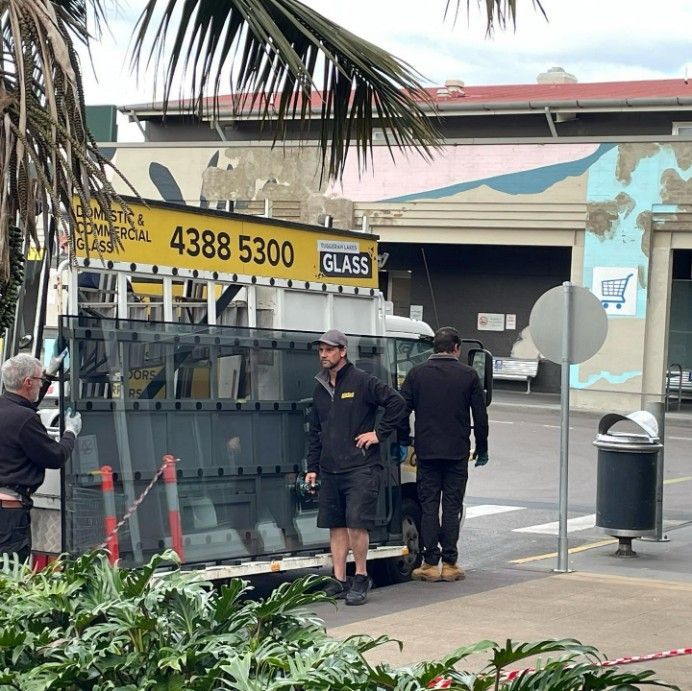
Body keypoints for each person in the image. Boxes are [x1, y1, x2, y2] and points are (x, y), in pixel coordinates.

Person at [305, 329, 406, 606]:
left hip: (361, 468)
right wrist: (312, 466)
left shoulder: (362, 381)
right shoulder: (320, 388)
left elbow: (397, 403)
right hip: (330, 469)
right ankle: (339, 580)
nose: (323, 355)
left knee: (356, 524)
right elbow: (315, 431)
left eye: (328, 350)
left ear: (343, 351)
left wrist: (378, 433)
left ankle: (361, 577)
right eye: (321, 350)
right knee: (336, 527)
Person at [400, 326, 489, 583]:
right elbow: (480, 417)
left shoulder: (416, 374)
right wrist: (482, 448)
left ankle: (429, 563)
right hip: (456, 452)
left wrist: (404, 439)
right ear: (457, 348)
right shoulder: (469, 375)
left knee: (429, 507)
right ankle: (450, 563)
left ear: (434, 349)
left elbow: (401, 409)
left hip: (426, 452)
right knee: (451, 506)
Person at [0, 354, 82, 561]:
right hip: (10, 515)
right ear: (27, 382)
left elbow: (22, 405)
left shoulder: (7, 409)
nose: (40, 384)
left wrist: (48, 374)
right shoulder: (25, 420)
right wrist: (71, 432)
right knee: (11, 575)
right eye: (38, 380)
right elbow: (55, 457)